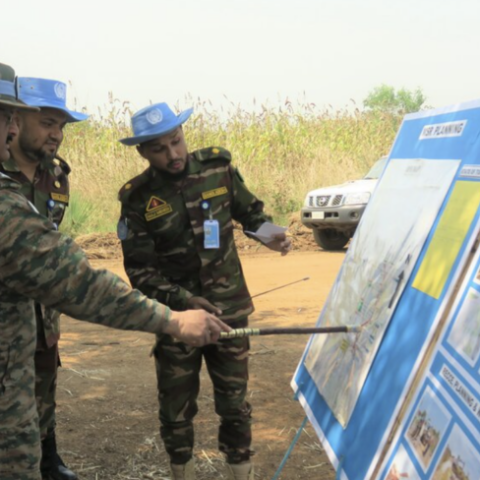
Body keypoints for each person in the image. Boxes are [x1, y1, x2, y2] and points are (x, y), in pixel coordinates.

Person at [0, 62, 230, 480]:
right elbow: (76, 281)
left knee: (43, 388)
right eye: (6, 119)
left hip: (34, 321)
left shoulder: (55, 176)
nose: (13, 130)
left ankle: (48, 454)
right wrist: (174, 319)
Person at [118, 102, 291, 480]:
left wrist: (270, 234)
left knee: (234, 403)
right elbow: (140, 271)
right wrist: (182, 301)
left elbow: (251, 215)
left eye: (176, 142)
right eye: (160, 149)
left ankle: (239, 472)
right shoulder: (137, 199)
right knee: (176, 407)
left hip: (229, 310)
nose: (173, 154)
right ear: (143, 152)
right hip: (177, 319)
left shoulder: (217, 169)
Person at [1, 76, 88, 480]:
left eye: (62, 126)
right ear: (16, 119)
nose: (56, 135)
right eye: (49, 123)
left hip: (43, 310)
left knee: (45, 377)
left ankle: (48, 455)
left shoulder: (56, 176)